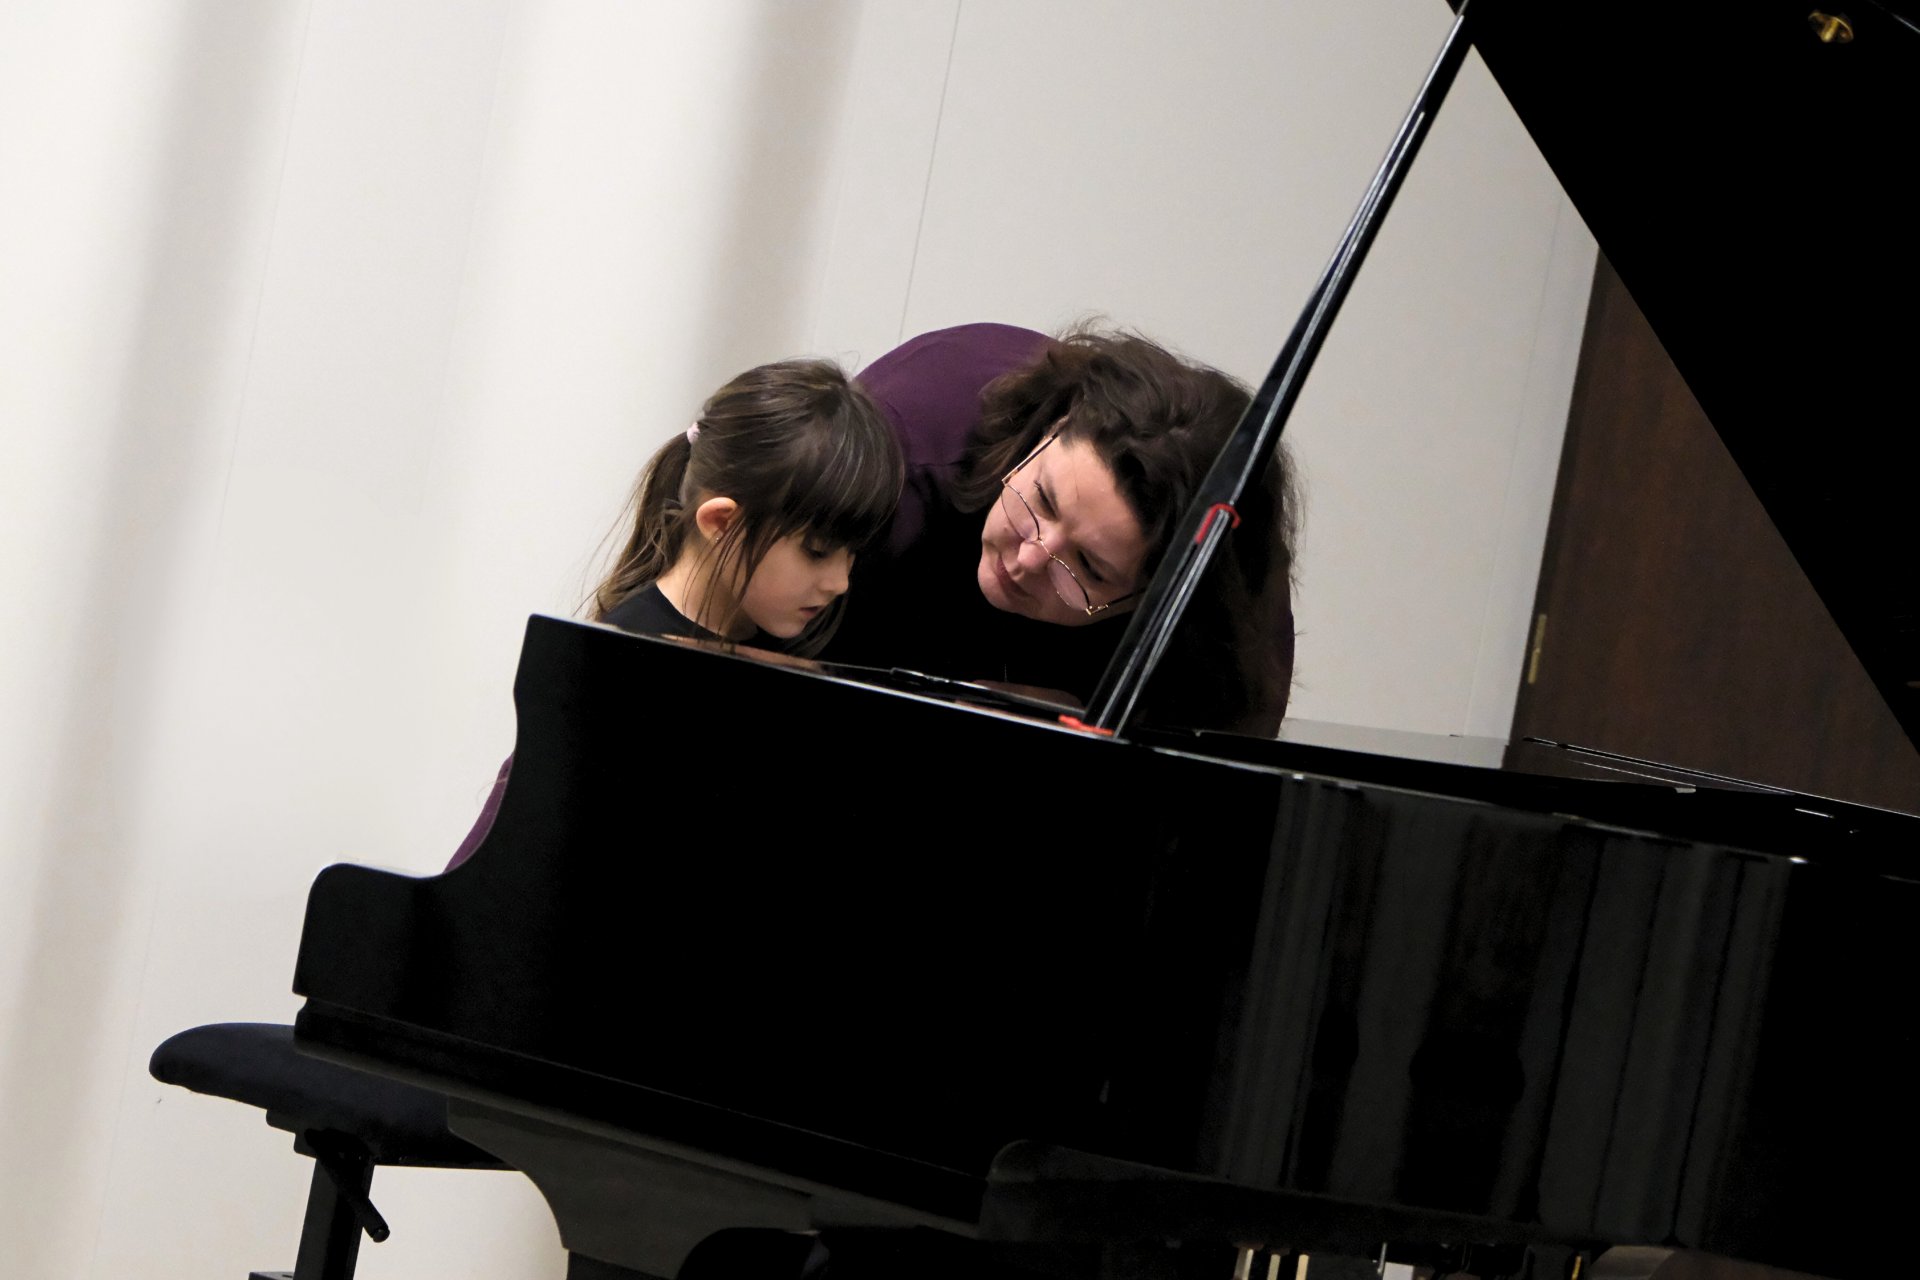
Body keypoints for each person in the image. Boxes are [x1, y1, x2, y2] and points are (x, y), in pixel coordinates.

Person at [446, 358, 903, 869]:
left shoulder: (789, 644)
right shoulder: (624, 667)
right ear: (721, 523)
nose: (840, 582)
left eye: (853, 553)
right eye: (817, 552)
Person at [822, 322, 1298, 736]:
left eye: (1088, 567)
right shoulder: (898, 461)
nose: (1028, 558)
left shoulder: (1223, 641)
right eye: (1043, 499)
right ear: (1052, 428)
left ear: (1154, 600)